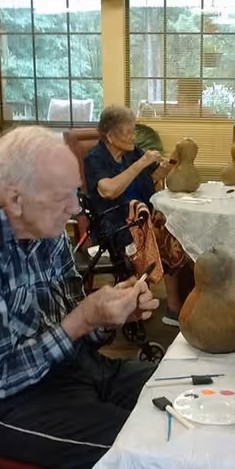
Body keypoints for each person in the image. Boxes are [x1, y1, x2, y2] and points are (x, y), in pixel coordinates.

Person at [0, 127, 159, 469]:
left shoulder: (44, 223)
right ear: (16, 199)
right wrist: (83, 319)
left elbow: (75, 322)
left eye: (75, 195)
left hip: (63, 368)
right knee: (146, 450)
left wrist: (112, 311)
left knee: (174, 392)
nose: (72, 209)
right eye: (61, 197)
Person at [84, 105, 191, 326]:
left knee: (177, 229)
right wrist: (141, 163)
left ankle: (174, 307)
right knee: (167, 236)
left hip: (142, 214)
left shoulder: (132, 151)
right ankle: (161, 305)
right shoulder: (95, 159)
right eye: (128, 132)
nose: (134, 136)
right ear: (110, 136)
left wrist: (173, 161)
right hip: (114, 223)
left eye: (134, 130)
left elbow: (154, 176)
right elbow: (109, 190)